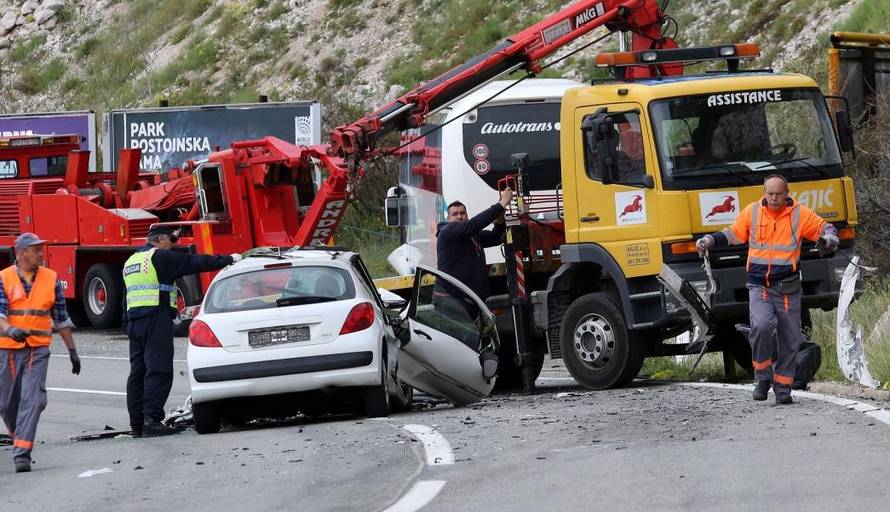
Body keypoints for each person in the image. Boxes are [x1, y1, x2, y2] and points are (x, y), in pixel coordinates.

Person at [697, 175, 838, 404]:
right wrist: (710, 240)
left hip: (787, 287)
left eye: (778, 193)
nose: (773, 198)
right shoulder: (753, 212)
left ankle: (783, 388)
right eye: (769, 193)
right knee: (761, 327)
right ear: (764, 193)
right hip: (759, 284)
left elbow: (825, 228)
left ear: (786, 193)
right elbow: (733, 233)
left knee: (790, 338)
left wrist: (830, 239)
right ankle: (762, 377)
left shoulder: (799, 214)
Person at [123, 225, 240, 437]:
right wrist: (229, 259)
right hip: (155, 318)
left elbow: (127, 297)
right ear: (158, 240)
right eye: (171, 240)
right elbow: (194, 262)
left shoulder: (132, 261)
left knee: (137, 373)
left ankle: (137, 424)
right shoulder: (159, 257)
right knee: (158, 369)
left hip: (135, 321)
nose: (173, 245)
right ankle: (151, 420)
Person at [0, 233, 80, 473]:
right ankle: (20, 435)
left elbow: (61, 319)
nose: (41, 254)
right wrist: (9, 329)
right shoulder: (3, 278)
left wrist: (72, 351)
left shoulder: (51, 278)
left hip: (38, 348)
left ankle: (22, 452)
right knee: (7, 403)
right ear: (21, 252)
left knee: (32, 399)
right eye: (36, 250)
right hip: (8, 348)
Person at [433, 188, 513, 349]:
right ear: (448, 218)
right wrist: (501, 204)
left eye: (463, 213)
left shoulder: (471, 236)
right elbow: (471, 226)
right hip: (451, 299)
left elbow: (495, 237)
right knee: (465, 345)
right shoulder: (447, 232)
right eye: (455, 214)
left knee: (475, 344)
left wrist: (499, 220)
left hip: (469, 300)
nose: (460, 216)